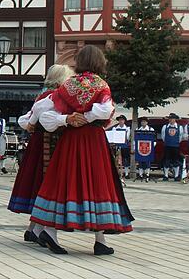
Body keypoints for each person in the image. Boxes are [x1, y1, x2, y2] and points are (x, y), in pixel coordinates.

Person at [30, 45, 133, 256]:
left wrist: (67, 118)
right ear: (99, 62)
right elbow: (106, 109)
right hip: (93, 140)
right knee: (98, 184)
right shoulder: (100, 84)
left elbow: (42, 112)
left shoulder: (68, 85)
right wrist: (86, 117)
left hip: (70, 139)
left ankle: (50, 231)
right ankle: (100, 239)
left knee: (63, 182)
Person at [9, 64, 73, 244]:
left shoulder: (43, 95)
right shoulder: (54, 97)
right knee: (45, 185)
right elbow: (29, 119)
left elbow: (26, 120)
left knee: (40, 184)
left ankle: (33, 229)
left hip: (39, 143)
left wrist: (30, 124)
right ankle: (39, 229)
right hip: (49, 144)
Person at [160, 113, 184, 182]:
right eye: (170, 119)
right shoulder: (165, 126)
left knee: (176, 161)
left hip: (176, 146)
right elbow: (163, 136)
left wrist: (175, 142)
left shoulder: (179, 127)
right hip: (167, 146)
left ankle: (176, 176)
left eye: (172, 119)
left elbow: (180, 137)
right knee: (166, 160)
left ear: (175, 119)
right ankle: (166, 175)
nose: (171, 120)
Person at [111, 115, 131, 179]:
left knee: (126, 159)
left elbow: (127, 138)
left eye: (122, 120)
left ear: (124, 121)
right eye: (120, 120)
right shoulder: (115, 128)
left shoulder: (127, 128)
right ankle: (117, 173)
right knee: (117, 159)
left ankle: (126, 173)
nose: (121, 121)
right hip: (117, 145)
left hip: (125, 145)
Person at [135, 117, 154, 182]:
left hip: (148, 148)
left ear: (147, 122)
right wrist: (135, 147)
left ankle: (147, 175)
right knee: (140, 162)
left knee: (147, 162)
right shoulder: (138, 129)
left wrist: (151, 147)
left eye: (144, 121)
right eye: (142, 121)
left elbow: (154, 140)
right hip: (140, 148)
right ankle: (140, 175)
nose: (143, 123)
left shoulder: (150, 129)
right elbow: (135, 140)